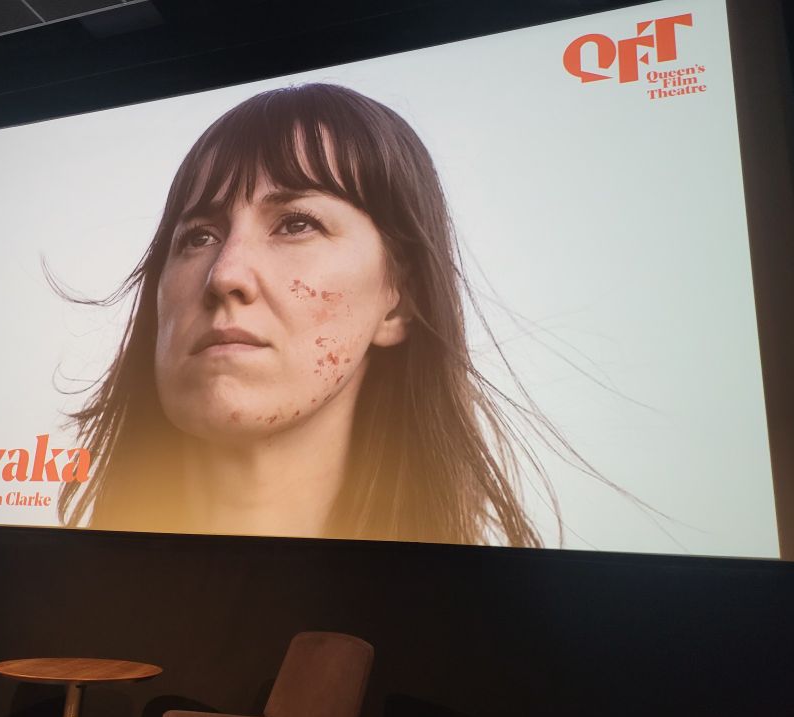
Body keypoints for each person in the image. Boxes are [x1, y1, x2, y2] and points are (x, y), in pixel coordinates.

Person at [57, 82, 544, 546]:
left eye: (296, 224)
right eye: (198, 236)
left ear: (401, 302)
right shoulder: (49, 608)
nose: (225, 275)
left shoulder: (480, 624)